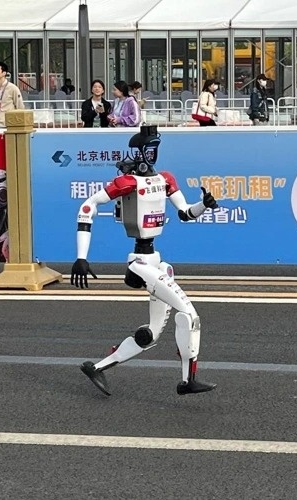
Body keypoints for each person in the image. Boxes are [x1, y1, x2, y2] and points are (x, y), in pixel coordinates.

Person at [73, 125, 219, 397]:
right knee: (189, 315)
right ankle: (187, 381)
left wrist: (203, 205)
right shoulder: (127, 182)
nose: (152, 153)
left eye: (155, 148)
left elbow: (185, 213)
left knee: (150, 334)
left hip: (155, 261)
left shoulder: (165, 179)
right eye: (148, 148)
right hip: (139, 263)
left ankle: (96, 367)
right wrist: (82, 256)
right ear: (138, 151)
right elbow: (87, 206)